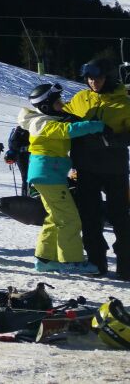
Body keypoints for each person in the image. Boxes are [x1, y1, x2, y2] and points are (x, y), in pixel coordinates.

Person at [20, 82, 102, 274]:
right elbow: (66, 131)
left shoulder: (45, 120)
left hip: (47, 174)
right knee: (69, 219)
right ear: (47, 106)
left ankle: (45, 260)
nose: (62, 105)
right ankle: (70, 262)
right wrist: (95, 125)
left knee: (55, 218)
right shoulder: (42, 123)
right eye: (58, 103)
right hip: (48, 176)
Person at [66, 58, 130, 279]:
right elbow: (63, 117)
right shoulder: (80, 98)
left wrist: (114, 138)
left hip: (115, 168)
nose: (93, 83)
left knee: (119, 217)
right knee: (89, 216)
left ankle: (126, 264)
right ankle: (96, 261)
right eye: (90, 78)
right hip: (86, 167)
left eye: (98, 78)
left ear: (110, 77)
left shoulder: (124, 102)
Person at [5, 125, 31, 191]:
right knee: (25, 177)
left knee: (25, 177)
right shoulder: (14, 146)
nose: (13, 163)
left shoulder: (15, 144)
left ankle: (26, 195)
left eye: (12, 161)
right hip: (23, 154)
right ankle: (26, 195)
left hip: (24, 154)